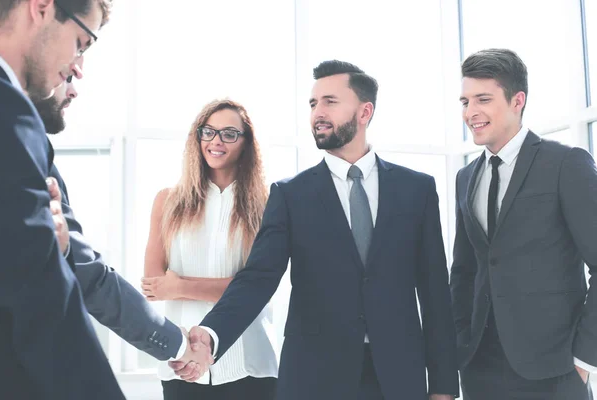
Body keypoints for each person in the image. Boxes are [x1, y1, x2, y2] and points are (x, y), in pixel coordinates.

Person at [174, 60, 459, 400]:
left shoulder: (416, 189)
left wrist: (443, 387)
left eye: (330, 102)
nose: (317, 113)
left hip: (398, 376)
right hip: (314, 378)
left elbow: (435, 292)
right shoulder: (291, 195)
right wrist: (211, 333)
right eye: (313, 104)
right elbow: (258, 277)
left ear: (364, 111)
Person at [31, 65, 212, 381]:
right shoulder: (24, 147)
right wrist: (178, 343)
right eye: (67, 76)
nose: (73, 89)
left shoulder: (30, 143)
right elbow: (88, 275)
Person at [450, 48, 597, 400]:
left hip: (555, 370)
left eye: (482, 99)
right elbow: (464, 271)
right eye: (465, 101)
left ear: (518, 100)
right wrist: (459, 342)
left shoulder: (566, 164)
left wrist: (583, 360)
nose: (470, 113)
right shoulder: (465, 177)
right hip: (480, 367)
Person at [0, 0, 125, 398]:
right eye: (81, 42)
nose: (77, 65)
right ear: (41, 7)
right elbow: (42, 300)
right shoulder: (9, 112)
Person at [141, 99, 279, 399]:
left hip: (249, 364)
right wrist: (223, 287)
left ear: (246, 143)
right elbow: (153, 285)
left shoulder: (267, 207)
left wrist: (178, 285)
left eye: (229, 134)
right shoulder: (167, 201)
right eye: (209, 132)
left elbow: (257, 288)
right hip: (181, 362)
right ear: (197, 137)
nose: (216, 141)